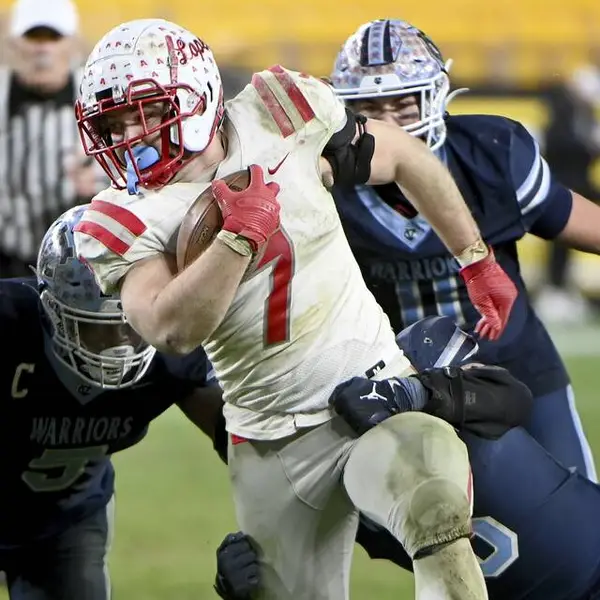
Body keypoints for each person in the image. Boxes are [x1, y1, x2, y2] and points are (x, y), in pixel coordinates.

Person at [73, 18, 520, 600]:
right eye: (112, 125)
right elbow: (170, 329)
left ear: (196, 95)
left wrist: (475, 258)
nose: (129, 135)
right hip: (270, 438)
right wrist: (237, 240)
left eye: (147, 112)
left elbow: (404, 155)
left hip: (375, 390)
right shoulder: (120, 216)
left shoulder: (279, 111)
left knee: (436, 515)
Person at [329, 18, 598, 481]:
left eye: (403, 104)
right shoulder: (326, 186)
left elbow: (574, 219)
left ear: (434, 96)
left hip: (515, 370)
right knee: (429, 521)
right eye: (371, 108)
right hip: (402, 391)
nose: (389, 125)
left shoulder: (490, 152)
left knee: (578, 514)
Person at [213, 316, 600, 600]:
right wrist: (249, 575)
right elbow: (297, 551)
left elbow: (510, 395)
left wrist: (412, 393)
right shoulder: (344, 473)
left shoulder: (463, 399)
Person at [0, 204, 221, 600]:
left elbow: (240, 442)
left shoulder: (169, 350)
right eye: (96, 329)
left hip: (67, 521)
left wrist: (268, 537)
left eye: (131, 325)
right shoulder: (10, 325)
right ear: (54, 311)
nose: (120, 345)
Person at [0, 0, 105, 277]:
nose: (43, 48)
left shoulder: (97, 97)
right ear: (14, 43)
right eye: (34, 36)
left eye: (53, 37)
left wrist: (99, 187)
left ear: (71, 43)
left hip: (78, 264)